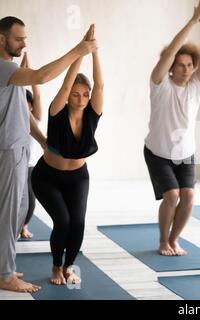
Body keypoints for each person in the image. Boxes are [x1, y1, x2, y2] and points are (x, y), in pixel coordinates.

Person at [0, 16, 97, 293]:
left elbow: (23, 112)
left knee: (18, 211)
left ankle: (3, 266)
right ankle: (5, 275)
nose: (24, 43)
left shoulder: (11, 72)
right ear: (1, 39)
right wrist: (79, 50)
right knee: (8, 214)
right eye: (18, 38)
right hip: (7, 150)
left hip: (19, 150)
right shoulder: (4, 67)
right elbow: (42, 76)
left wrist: (42, 141)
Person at [31, 24, 104, 285]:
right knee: (62, 221)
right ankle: (55, 267)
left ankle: (69, 266)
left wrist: (94, 51)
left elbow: (100, 85)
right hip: (47, 176)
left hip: (78, 177)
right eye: (76, 94)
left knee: (78, 223)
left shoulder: (92, 113)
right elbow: (64, 85)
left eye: (84, 94)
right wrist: (80, 52)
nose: (81, 98)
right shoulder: (57, 111)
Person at [144, 0, 200, 256]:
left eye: (189, 65)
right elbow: (169, 52)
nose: (185, 69)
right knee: (172, 195)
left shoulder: (196, 87)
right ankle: (163, 240)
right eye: (180, 64)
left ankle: (174, 240)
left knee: (189, 197)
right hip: (158, 152)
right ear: (171, 67)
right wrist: (191, 22)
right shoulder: (160, 85)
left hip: (186, 153)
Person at [19, 52, 43, 239]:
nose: (27, 109)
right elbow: (15, 89)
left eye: (29, 105)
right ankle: (14, 227)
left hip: (31, 167)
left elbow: (38, 96)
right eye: (23, 105)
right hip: (15, 165)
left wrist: (31, 74)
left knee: (31, 202)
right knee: (16, 201)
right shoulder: (14, 119)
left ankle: (24, 226)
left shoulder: (35, 119)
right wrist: (21, 70)